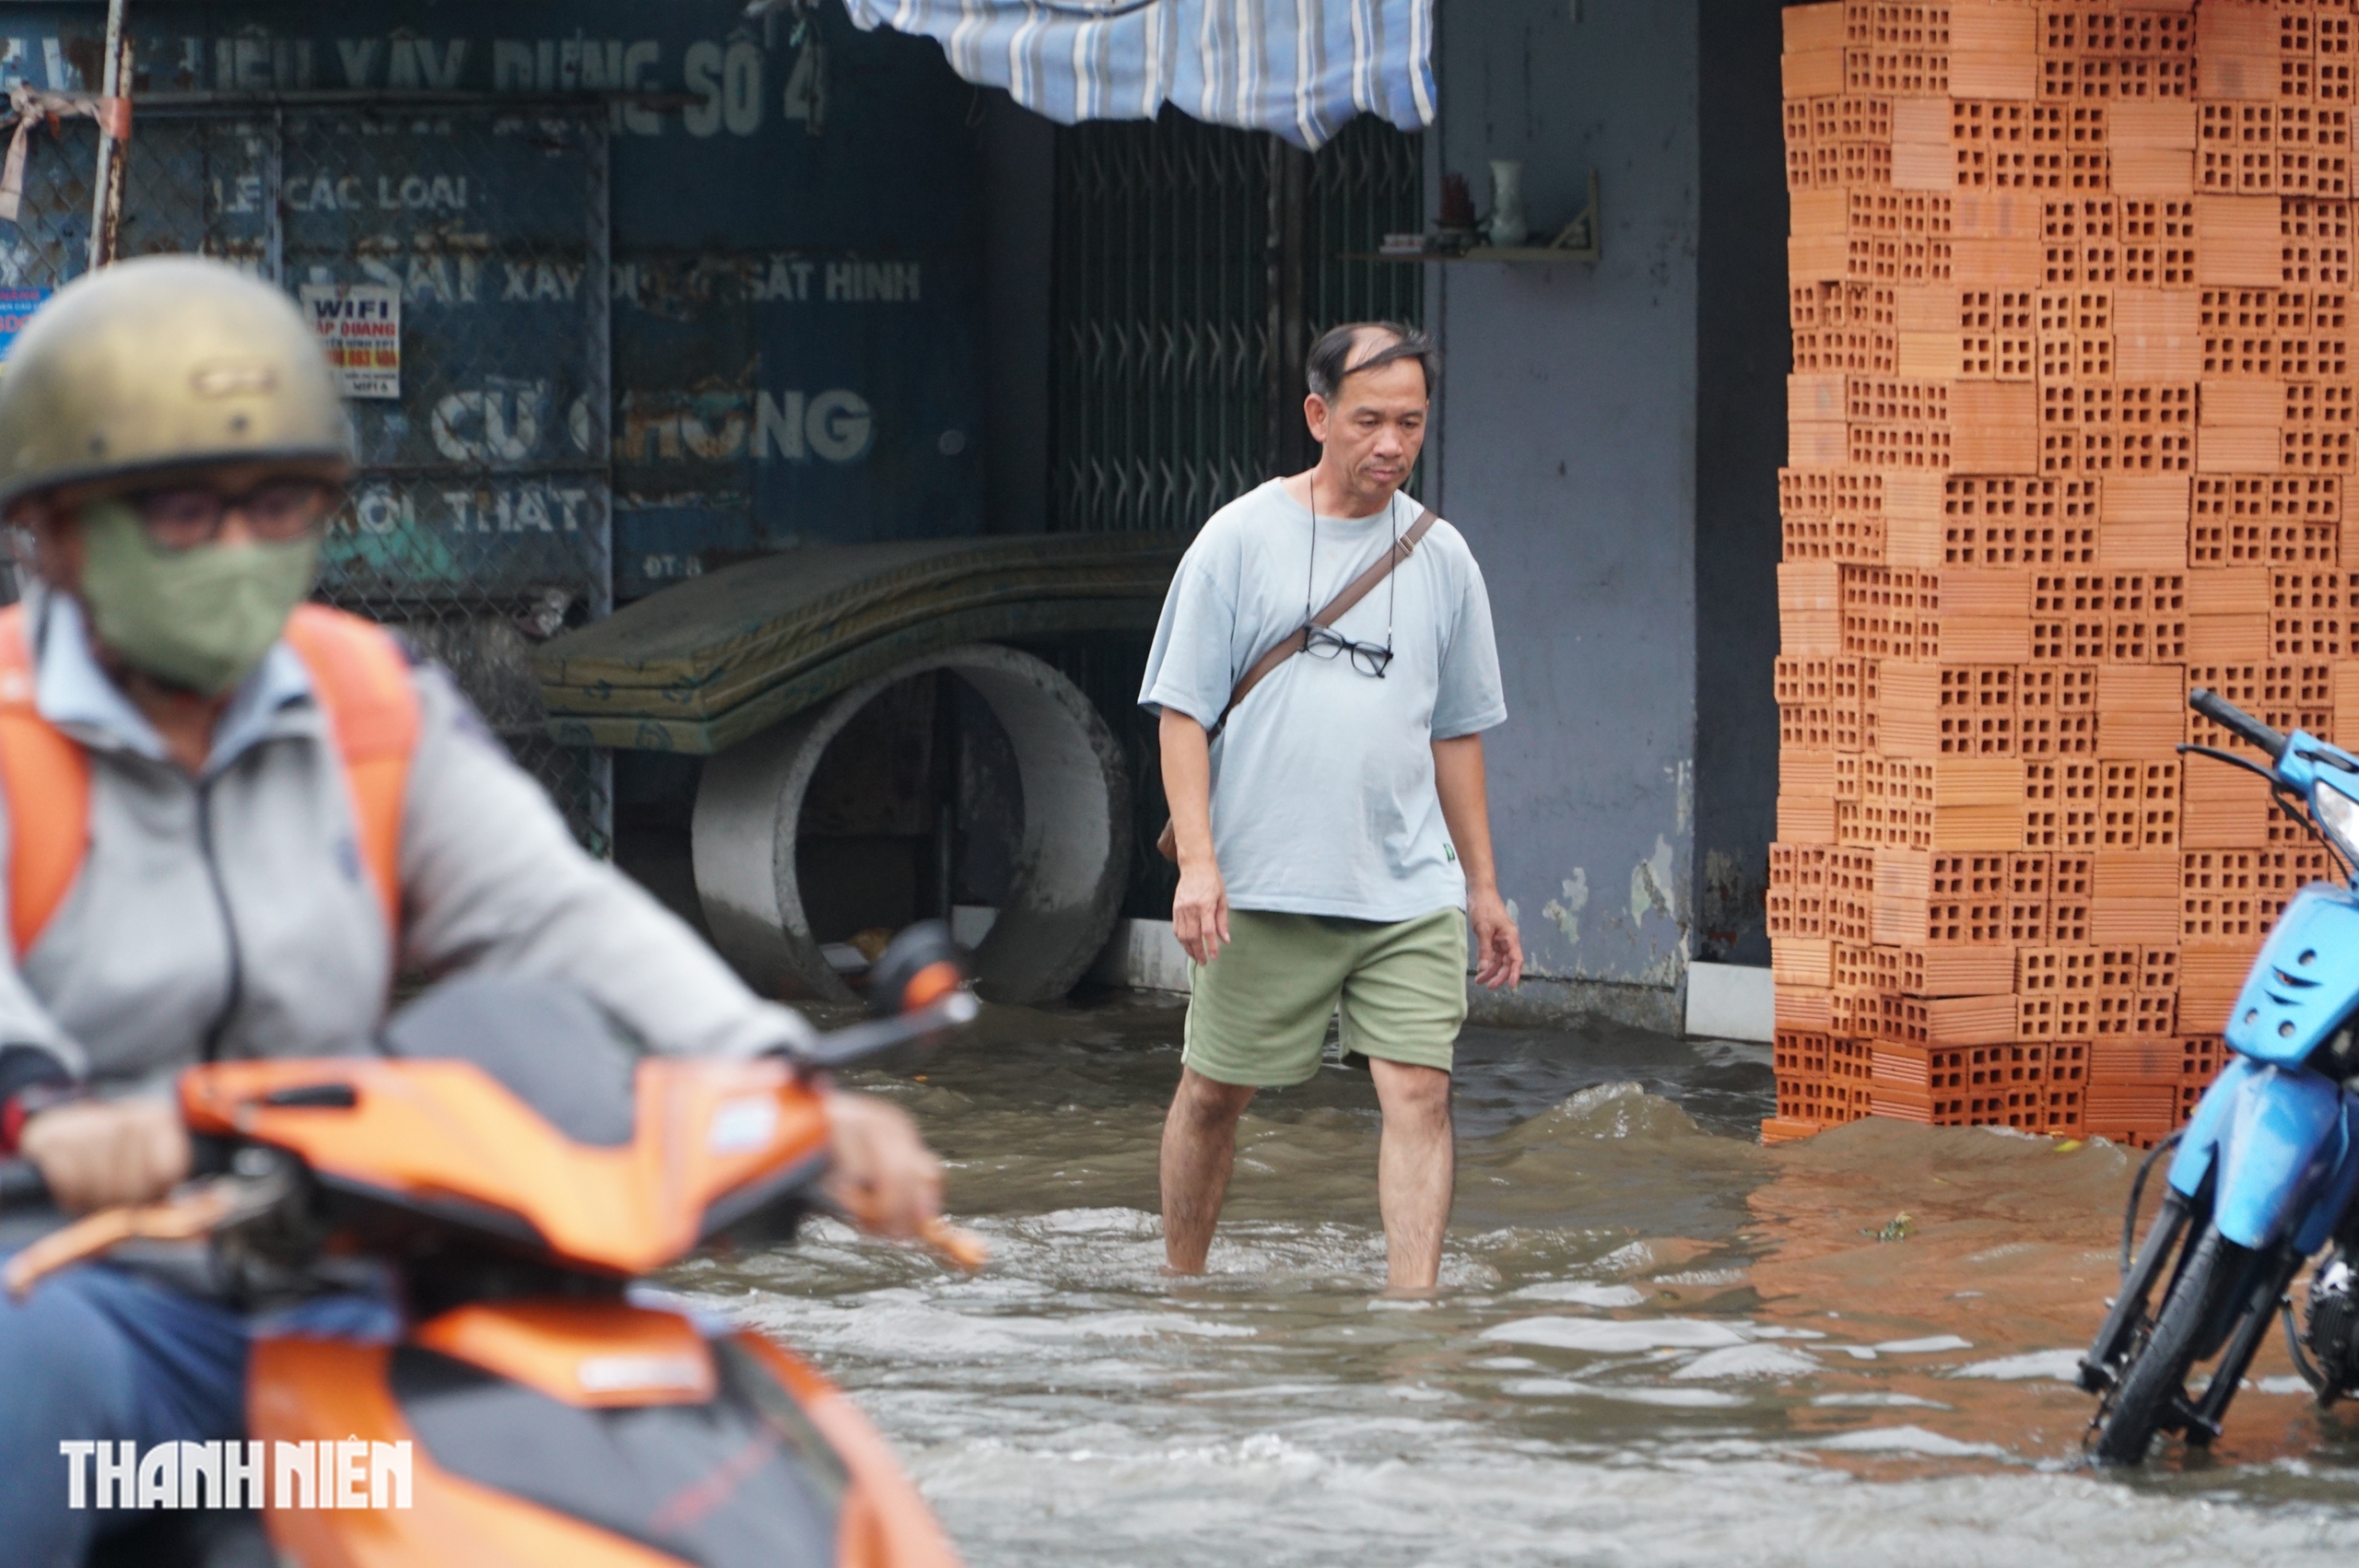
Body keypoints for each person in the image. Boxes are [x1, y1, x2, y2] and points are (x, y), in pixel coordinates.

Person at [0, 256, 942, 1562]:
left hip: (326, 1257)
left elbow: (552, 918)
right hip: (73, 1272)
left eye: (274, 503)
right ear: (51, 529)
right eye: (178, 510)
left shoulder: (363, 700)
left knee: (696, 1398)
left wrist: (780, 1084)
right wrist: (46, 1110)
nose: (233, 546)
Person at [1141, 321, 1522, 1292]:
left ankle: (1412, 1311)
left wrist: (1483, 887)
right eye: (1367, 421)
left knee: (1419, 1093)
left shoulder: (1444, 557)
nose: (1389, 444)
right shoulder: (1238, 538)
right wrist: (1199, 862)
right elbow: (1180, 713)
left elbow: (1456, 732)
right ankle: (1182, 1286)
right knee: (1214, 1093)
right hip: (1264, 880)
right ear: (1317, 416)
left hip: (1406, 888)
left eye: (1410, 422)